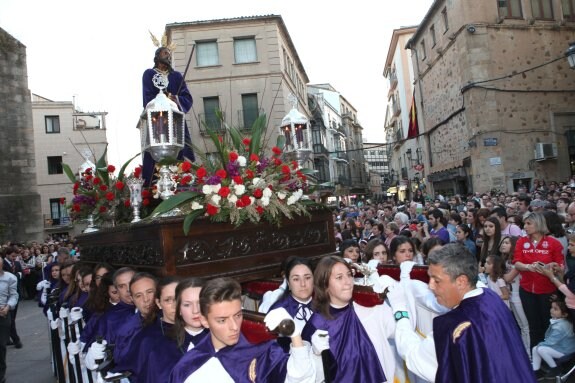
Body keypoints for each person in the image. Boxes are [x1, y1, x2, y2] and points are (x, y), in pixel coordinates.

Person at [169, 277, 315, 383]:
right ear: (204, 321)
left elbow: (300, 378)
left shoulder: (262, 353)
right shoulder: (188, 365)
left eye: (238, 315)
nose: (234, 326)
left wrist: (295, 335)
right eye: (222, 320)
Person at [428, 243, 536, 382]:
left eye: (436, 280)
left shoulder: (455, 323)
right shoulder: (490, 297)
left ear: (461, 281)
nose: (430, 286)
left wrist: (401, 315)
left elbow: (425, 364)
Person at [301, 255, 396, 382]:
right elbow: (307, 374)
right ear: (325, 285)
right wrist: (316, 356)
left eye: (349, 275)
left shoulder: (365, 310)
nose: (348, 282)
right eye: (339, 277)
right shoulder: (316, 325)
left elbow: (396, 334)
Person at [142, 44, 194, 186]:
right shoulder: (149, 74)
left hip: (175, 124)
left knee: (179, 154)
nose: (168, 56)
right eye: (165, 53)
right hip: (157, 123)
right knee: (154, 159)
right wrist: (162, 98)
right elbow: (147, 98)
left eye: (170, 54)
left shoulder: (176, 76)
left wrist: (174, 98)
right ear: (157, 56)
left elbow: (187, 98)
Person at [514, 212, 565, 347]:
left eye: (529, 223)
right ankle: (535, 358)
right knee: (533, 325)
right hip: (526, 290)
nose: (525, 226)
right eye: (524, 223)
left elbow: (561, 266)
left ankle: (549, 356)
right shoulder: (521, 241)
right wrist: (528, 267)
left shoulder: (554, 243)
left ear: (539, 224)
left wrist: (554, 267)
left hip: (547, 291)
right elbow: (517, 263)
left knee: (547, 324)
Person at [501, 236, 531, 355]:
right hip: (511, 295)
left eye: (507, 243)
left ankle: (528, 353)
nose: (503, 245)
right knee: (519, 324)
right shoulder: (506, 261)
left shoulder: (517, 262)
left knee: (525, 326)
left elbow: (508, 278)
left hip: (518, 295)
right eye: (503, 242)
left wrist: (496, 273)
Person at [531, 298, 575, 379]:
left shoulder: (560, 327)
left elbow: (551, 342)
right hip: (560, 347)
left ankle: (555, 369)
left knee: (540, 349)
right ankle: (536, 371)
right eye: (552, 307)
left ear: (564, 314)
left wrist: (540, 345)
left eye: (555, 309)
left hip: (566, 350)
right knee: (535, 348)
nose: (552, 310)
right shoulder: (559, 321)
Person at [0, 252, 18, 383]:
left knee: (1, 345)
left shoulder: (10, 278)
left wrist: (8, 307)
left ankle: (1, 373)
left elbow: (14, 295)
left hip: (3, 313)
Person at [2, 246, 22, 349]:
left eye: (16, 256)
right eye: (13, 256)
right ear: (7, 255)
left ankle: (7, 338)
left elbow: (20, 274)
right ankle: (16, 339)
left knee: (11, 318)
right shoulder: (2, 264)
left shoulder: (17, 263)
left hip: (15, 294)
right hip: (5, 297)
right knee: (10, 319)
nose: (14, 258)